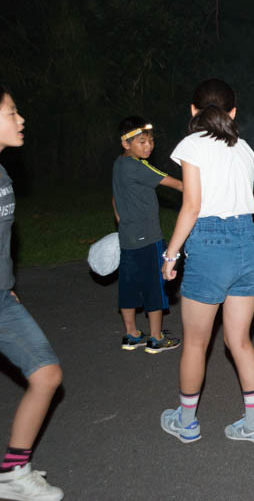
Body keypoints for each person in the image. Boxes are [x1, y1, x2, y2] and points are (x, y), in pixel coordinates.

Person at [159, 79, 254, 446]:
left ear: (193, 111)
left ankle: (186, 421)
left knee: (196, 343)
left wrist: (171, 253)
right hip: (247, 242)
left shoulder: (192, 145)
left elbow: (192, 205)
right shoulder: (244, 148)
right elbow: (253, 198)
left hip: (210, 244)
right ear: (233, 112)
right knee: (240, 341)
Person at [0, 86, 64, 501]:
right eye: (11, 112)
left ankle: (12, 471)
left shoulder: (2, 173)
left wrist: (7, 286)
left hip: (1, 299)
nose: (21, 119)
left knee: (46, 374)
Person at [111, 116, 183, 353]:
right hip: (149, 238)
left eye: (150, 141)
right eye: (141, 141)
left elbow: (115, 199)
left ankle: (131, 334)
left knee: (129, 286)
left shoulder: (119, 164)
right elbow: (176, 184)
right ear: (126, 144)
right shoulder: (139, 166)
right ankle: (156, 337)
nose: (148, 146)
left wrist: (123, 222)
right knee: (155, 286)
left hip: (128, 238)